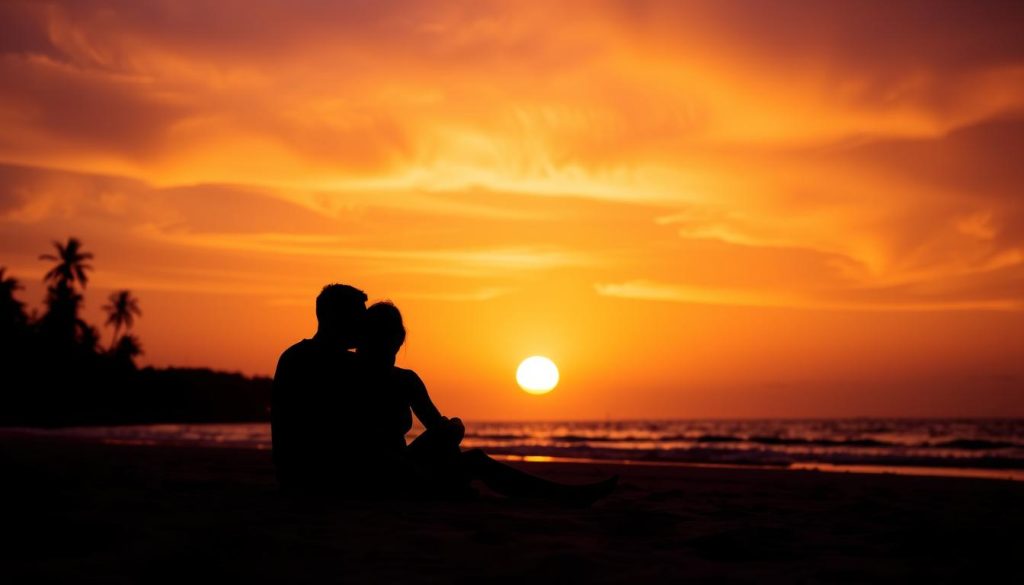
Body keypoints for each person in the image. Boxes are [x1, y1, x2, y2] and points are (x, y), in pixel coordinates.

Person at [358, 301, 618, 504]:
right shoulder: (352, 373)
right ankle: (563, 496)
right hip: (381, 472)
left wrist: (451, 429)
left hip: (403, 464)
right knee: (474, 459)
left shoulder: (405, 379)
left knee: (460, 446)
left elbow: (436, 427)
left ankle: (458, 486)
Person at [271, 283, 369, 492]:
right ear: (336, 317)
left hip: (295, 473)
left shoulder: (293, 356)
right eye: (359, 318)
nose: (364, 325)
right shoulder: (307, 360)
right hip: (320, 473)